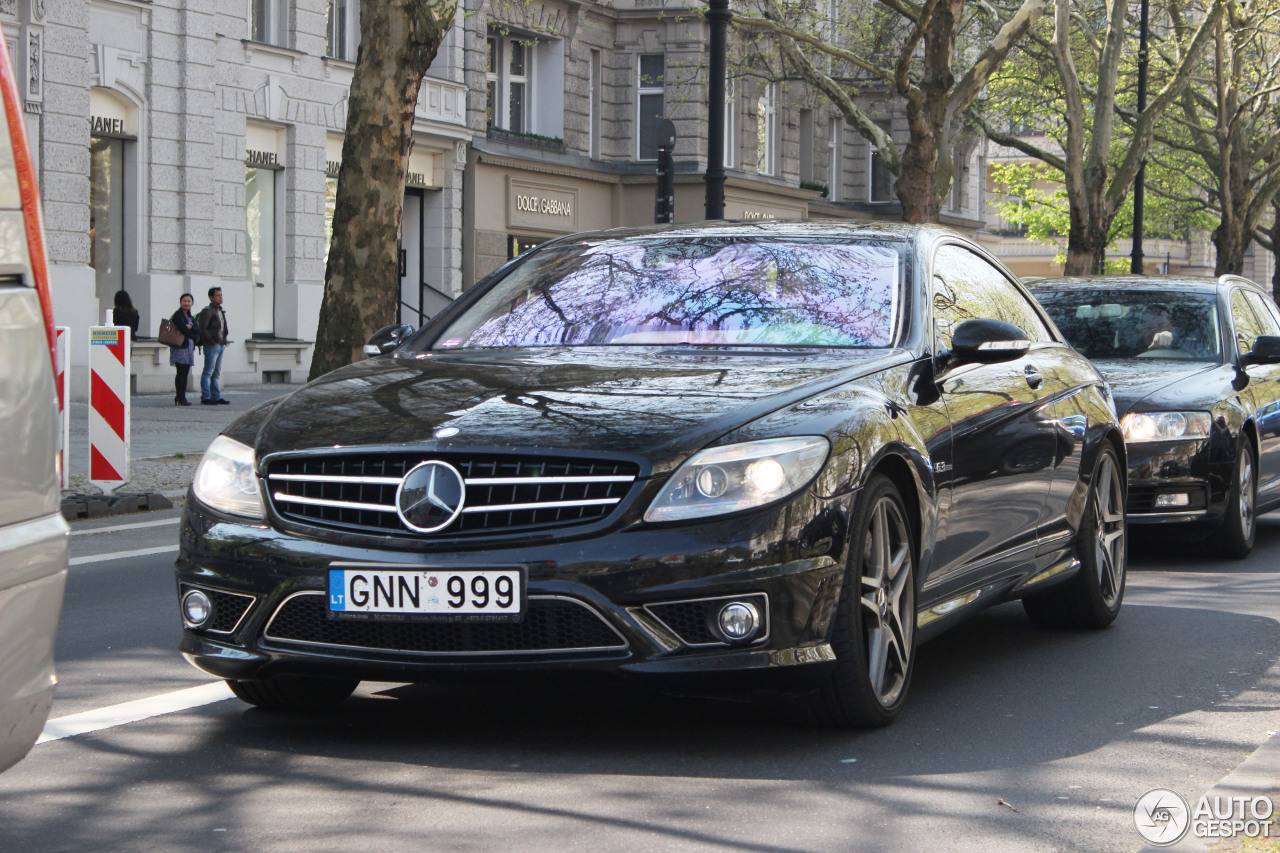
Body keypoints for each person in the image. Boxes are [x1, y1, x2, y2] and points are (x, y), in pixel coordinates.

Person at [195, 286, 230, 405]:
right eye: (217, 295)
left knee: (217, 372)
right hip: (211, 345)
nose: (220, 297)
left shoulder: (220, 311)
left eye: (221, 295)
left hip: (220, 344)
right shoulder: (208, 311)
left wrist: (224, 339)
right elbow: (203, 328)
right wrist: (212, 340)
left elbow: (223, 328)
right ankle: (206, 396)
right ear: (211, 297)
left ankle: (216, 396)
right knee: (208, 371)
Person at [169, 293, 199, 406]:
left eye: (189, 301)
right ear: (180, 302)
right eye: (184, 301)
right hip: (180, 347)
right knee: (180, 372)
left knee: (185, 373)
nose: (186, 303)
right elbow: (183, 329)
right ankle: (180, 397)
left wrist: (191, 328)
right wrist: (191, 331)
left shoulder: (190, 317)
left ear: (192, 303)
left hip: (189, 347)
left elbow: (198, 330)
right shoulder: (178, 315)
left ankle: (182, 396)